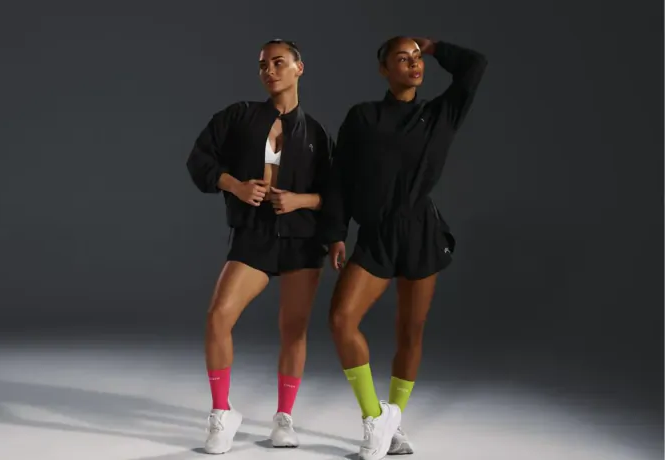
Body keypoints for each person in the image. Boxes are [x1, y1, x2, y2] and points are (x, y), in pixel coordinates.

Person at [319, 36, 488, 460]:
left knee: (410, 331)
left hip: (420, 232)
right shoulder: (363, 117)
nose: (414, 64)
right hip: (375, 234)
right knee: (342, 320)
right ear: (383, 69)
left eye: (417, 59)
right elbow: (339, 178)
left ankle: (393, 425)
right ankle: (376, 417)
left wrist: (433, 46)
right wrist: (336, 232)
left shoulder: (439, 113)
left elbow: (475, 65)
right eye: (403, 58)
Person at [185, 39, 334, 455]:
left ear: (299, 68)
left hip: (302, 239)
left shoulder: (317, 133)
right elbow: (199, 160)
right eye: (263, 65)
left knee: (294, 330)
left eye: (279, 63)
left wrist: (298, 201)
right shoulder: (239, 116)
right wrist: (235, 185)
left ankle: (283, 417)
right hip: (253, 233)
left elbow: (333, 194)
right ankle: (221, 413)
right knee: (218, 317)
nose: (269, 71)